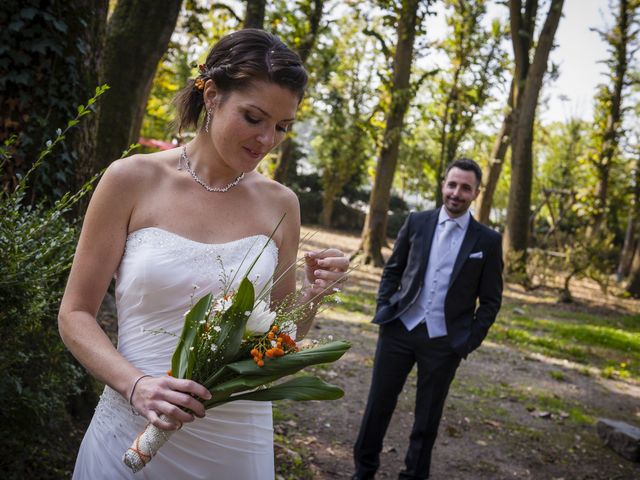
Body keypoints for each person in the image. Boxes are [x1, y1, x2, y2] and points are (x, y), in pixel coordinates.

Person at [58, 29, 349, 479]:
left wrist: (315, 294)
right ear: (211, 95)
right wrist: (136, 386)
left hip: (234, 442)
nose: (267, 139)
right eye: (254, 118)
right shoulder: (129, 180)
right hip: (131, 427)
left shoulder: (281, 205)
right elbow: (75, 314)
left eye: (282, 126)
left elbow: (276, 342)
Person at [351, 158, 503, 480]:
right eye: (452, 184)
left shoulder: (487, 241)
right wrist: (386, 306)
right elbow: (393, 270)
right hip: (399, 328)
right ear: (442, 185)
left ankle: (413, 475)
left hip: (444, 341)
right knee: (377, 406)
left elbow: (490, 301)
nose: (456, 193)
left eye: (465, 187)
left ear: (476, 193)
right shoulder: (417, 221)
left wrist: (467, 340)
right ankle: (363, 472)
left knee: (427, 419)